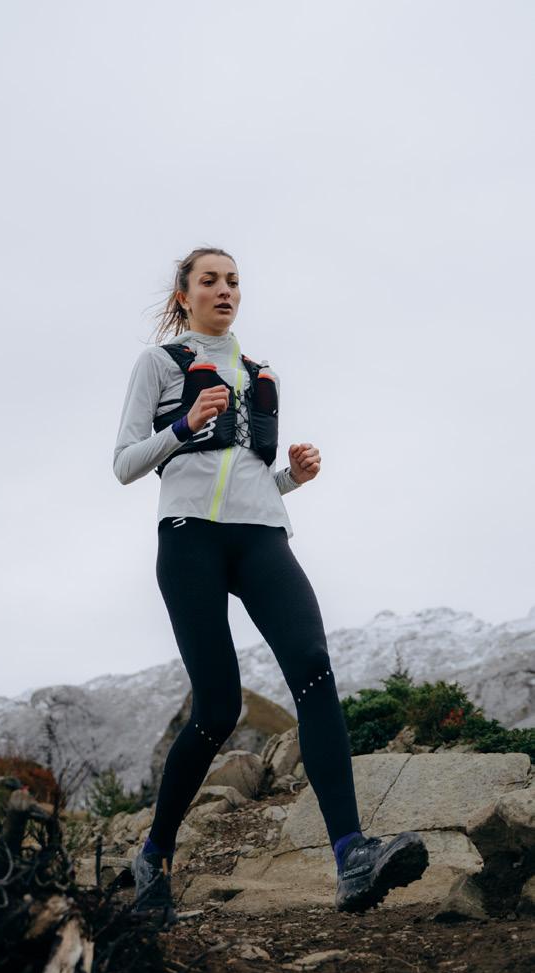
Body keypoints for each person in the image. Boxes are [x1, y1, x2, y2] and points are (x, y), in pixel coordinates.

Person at [113, 246, 428, 927]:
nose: (224, 289)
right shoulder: (159, 364)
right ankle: (154, 856)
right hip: (189, 537)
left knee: (313, 666)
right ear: (185, 294)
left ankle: (351, 855)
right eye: (209, 280)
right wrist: (183, 425)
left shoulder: (260, 374)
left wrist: (293, 478)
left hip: (261, 536)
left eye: (233, 280)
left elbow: (247, 474)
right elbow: (124, 464)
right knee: (218, 707)